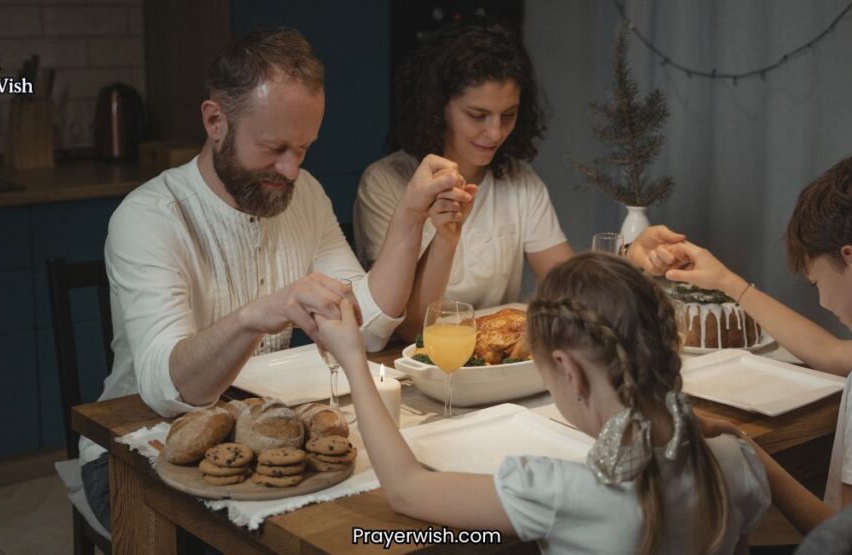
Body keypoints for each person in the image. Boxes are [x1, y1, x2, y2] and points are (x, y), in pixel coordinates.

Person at [78, 27, 474, 532]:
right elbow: (164, 388)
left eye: (304, 148)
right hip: (135, 453)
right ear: (215, 121)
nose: (290, 170)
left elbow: (368, 328)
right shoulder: (149, 217)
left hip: (261, 439)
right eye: (274, 147)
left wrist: (410, 218)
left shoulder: (303, 193)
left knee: (375, 529)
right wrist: (256, 316)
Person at [316, 252, 770, 554]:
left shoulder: (559, 490)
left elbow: (405, 489)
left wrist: (355, 362)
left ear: (568, 371)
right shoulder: (735, 463)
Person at [353, 23, 685, 341]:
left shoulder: (520, 180)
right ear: (438, 107)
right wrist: (445, 239)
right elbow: (412, 330)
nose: (495, 132)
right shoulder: (386, 182)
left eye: (508, 115)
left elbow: (568, 286)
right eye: (478, 115)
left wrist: (628, 258)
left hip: (498, 354)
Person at [668, 152, 852, 533]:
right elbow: (825, 351)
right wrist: (728, 282)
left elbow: (850, 540)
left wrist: (744, 446)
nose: (823, 302)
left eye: (816, 284)